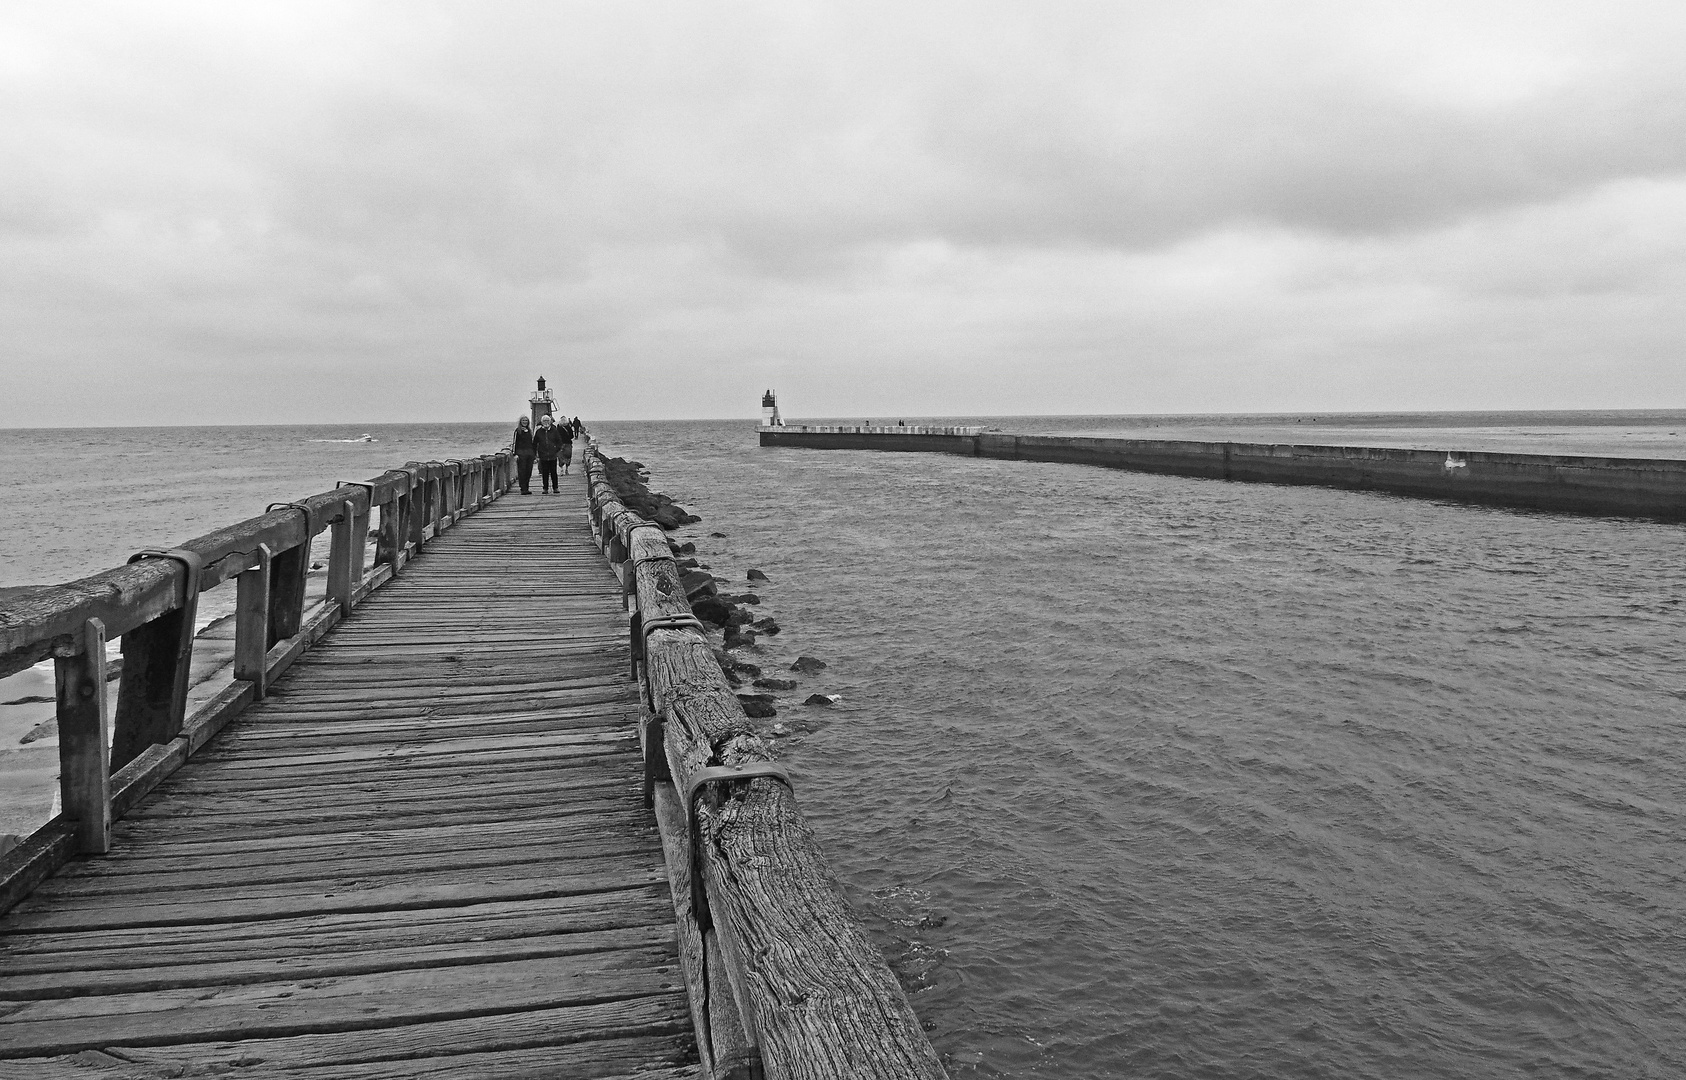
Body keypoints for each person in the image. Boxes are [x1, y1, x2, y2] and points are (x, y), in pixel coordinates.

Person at [533, 414, 566, 493]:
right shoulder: (539, 432)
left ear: (550, 421)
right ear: (542, 422)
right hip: (543, 455)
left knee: (553, 472)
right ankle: (545, 488)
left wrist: (556, 449)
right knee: (545, 472)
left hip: (552, 455)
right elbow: (534, 443)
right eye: (544, 421)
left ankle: (555, 487)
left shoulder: (554, 431)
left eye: (547, 420)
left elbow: (559, 441)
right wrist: (536, 453)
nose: (546, 422)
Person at [512, 415, 535, 494]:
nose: (524, 422)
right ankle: (523, 488)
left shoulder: (529, 431)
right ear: (520, 422)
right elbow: (515, 443)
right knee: (522, 471)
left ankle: (527, 487)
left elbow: (532, 443)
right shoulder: (517, 431)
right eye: (523, 420)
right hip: (521, 454)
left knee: (528, 471)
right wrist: (515, 454)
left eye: (526, 420)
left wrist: (534, 454)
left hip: (530, 453)